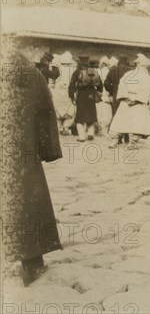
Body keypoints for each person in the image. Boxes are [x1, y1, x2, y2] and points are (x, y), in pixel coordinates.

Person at [1, 49, 63, 286]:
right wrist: (48, 148)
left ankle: (32, 261)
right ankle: (32, 261)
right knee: (26, 199)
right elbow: (44, 109)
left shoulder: (25, 69)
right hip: (20, 151)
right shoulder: (26, 69)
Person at [109, 54, 150, 148]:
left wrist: (125, 98)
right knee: (136, 123)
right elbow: (147, 90)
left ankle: (115, 140)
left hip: (126, 102)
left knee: (121, 121)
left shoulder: (128, 74)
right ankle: (132, 143)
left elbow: (122, 86)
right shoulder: (146, 77)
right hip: (137, 103)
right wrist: (137, 100)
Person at [68, 56, 103, 142]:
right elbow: (100, 85)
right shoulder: (94, 71)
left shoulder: (77, 72)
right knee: (91, 115)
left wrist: (72, 96)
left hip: (81, 96)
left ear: (79, 62)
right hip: (91, 96)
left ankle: (82, 137)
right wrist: (97, 93)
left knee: (80, 116)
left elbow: (72, 85)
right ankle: (90, 134)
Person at [104, 55, 134, 146]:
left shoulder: (113, 70)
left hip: (116, 95)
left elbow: (106, 83)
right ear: (127, 61)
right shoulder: (130, 70)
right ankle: (127, 138)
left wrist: (111, 91)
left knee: (116, 116)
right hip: (127, 95)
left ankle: (117, 138)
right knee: (127, 116)